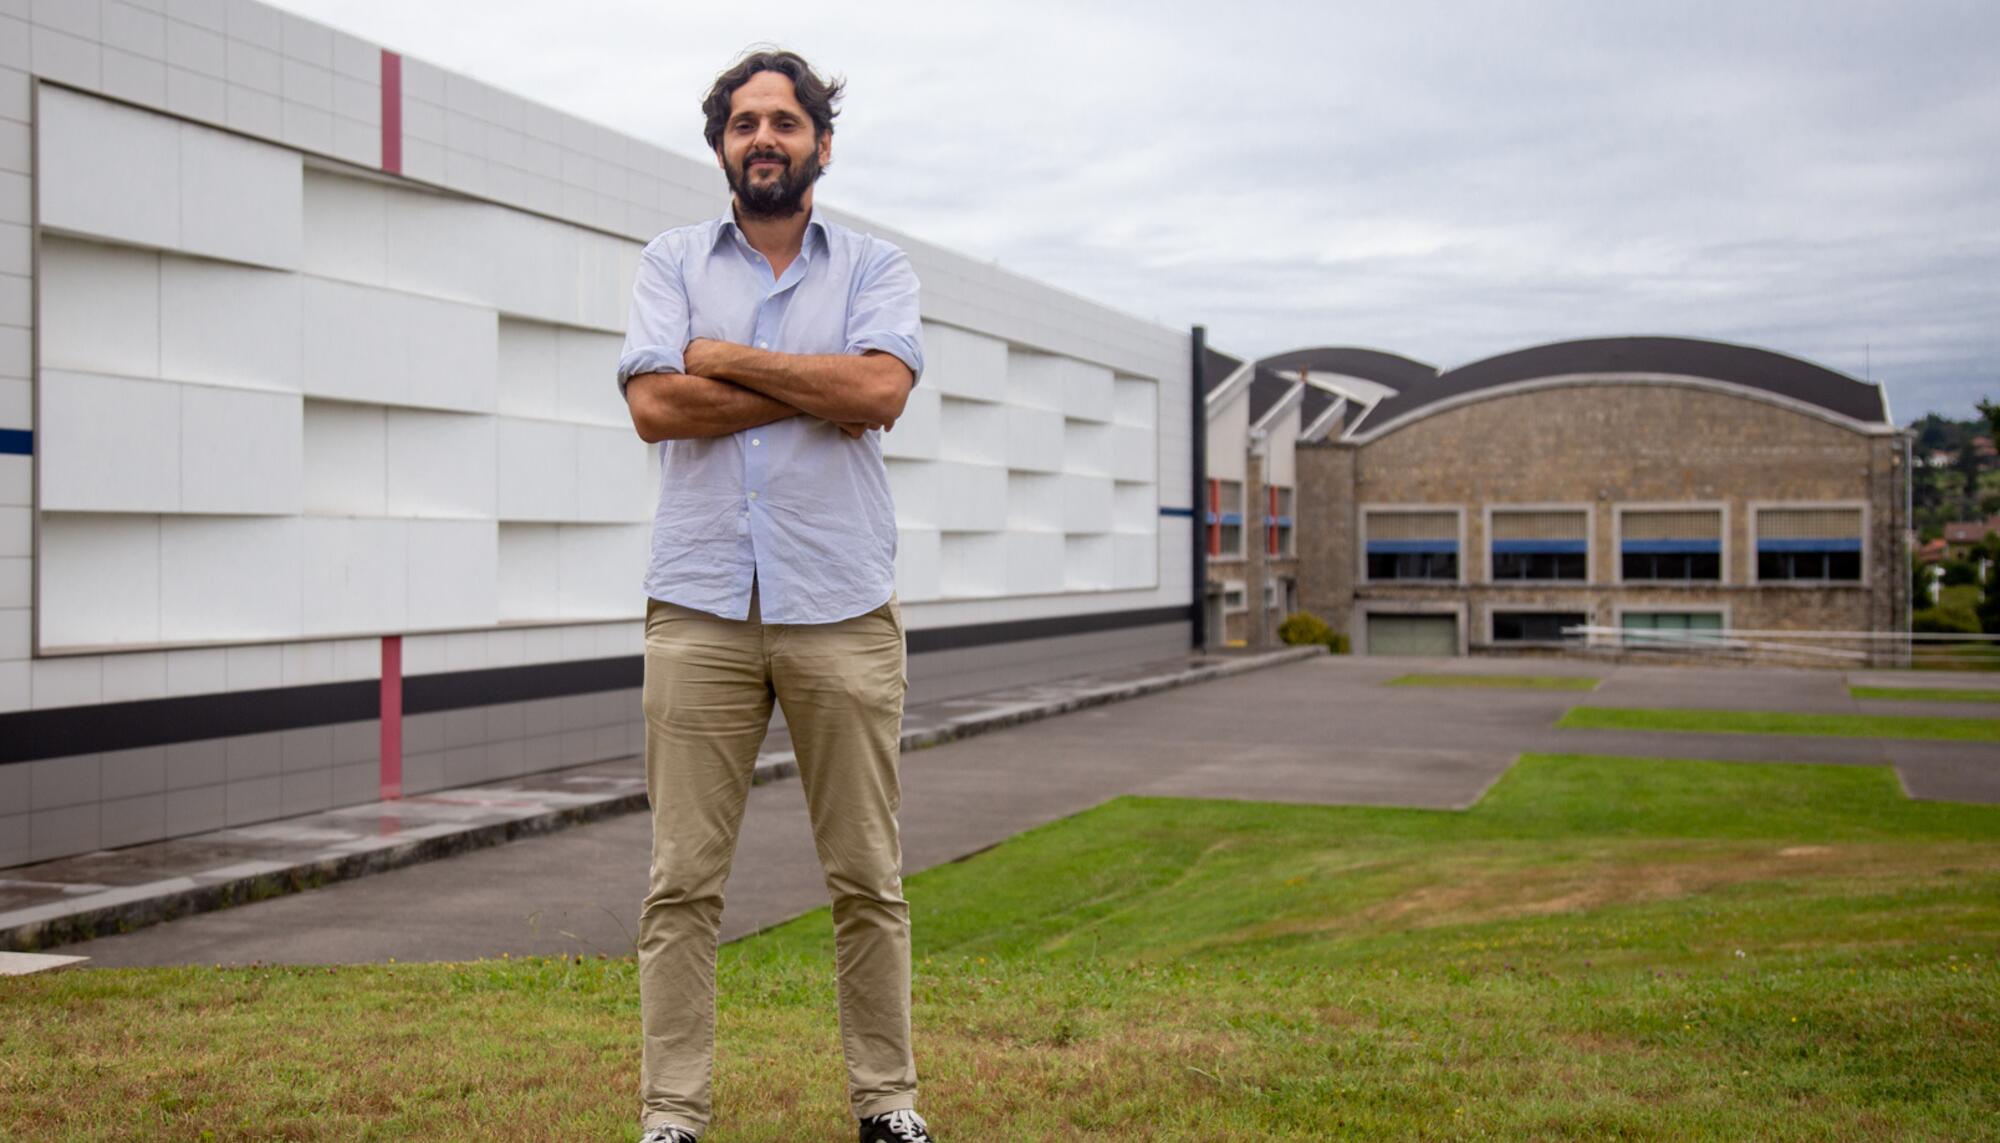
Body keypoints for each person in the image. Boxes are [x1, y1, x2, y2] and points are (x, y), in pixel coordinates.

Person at [616, 48, 938, 1143]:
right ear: (721, 145)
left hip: (841, 606)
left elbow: (880, 388)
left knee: (866, 877)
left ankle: (886, 1105)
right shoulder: (668, 261)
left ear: (821, 144)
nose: (764, 139)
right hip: (699, 606)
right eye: (744, 123)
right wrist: (807, 383)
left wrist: (724, 359)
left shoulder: (877, 268)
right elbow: (656, 409)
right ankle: (672, 1115)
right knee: (681, 882)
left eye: (785, 123)